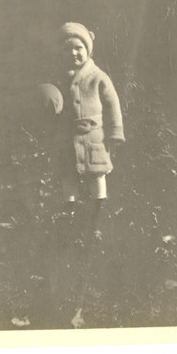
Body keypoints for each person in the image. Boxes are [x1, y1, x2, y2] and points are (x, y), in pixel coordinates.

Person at [50, 22, 125, 245]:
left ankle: (98, 211)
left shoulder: (98, 77)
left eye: (78, 48)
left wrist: (114, 133)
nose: (73, 53)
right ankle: (69, 212)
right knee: (68, 173)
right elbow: (52, 104)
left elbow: (113, 105)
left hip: (94, 136)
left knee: (97, 172)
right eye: (66, 49)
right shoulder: (59, 77)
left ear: (87, 49)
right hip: (67, 136)